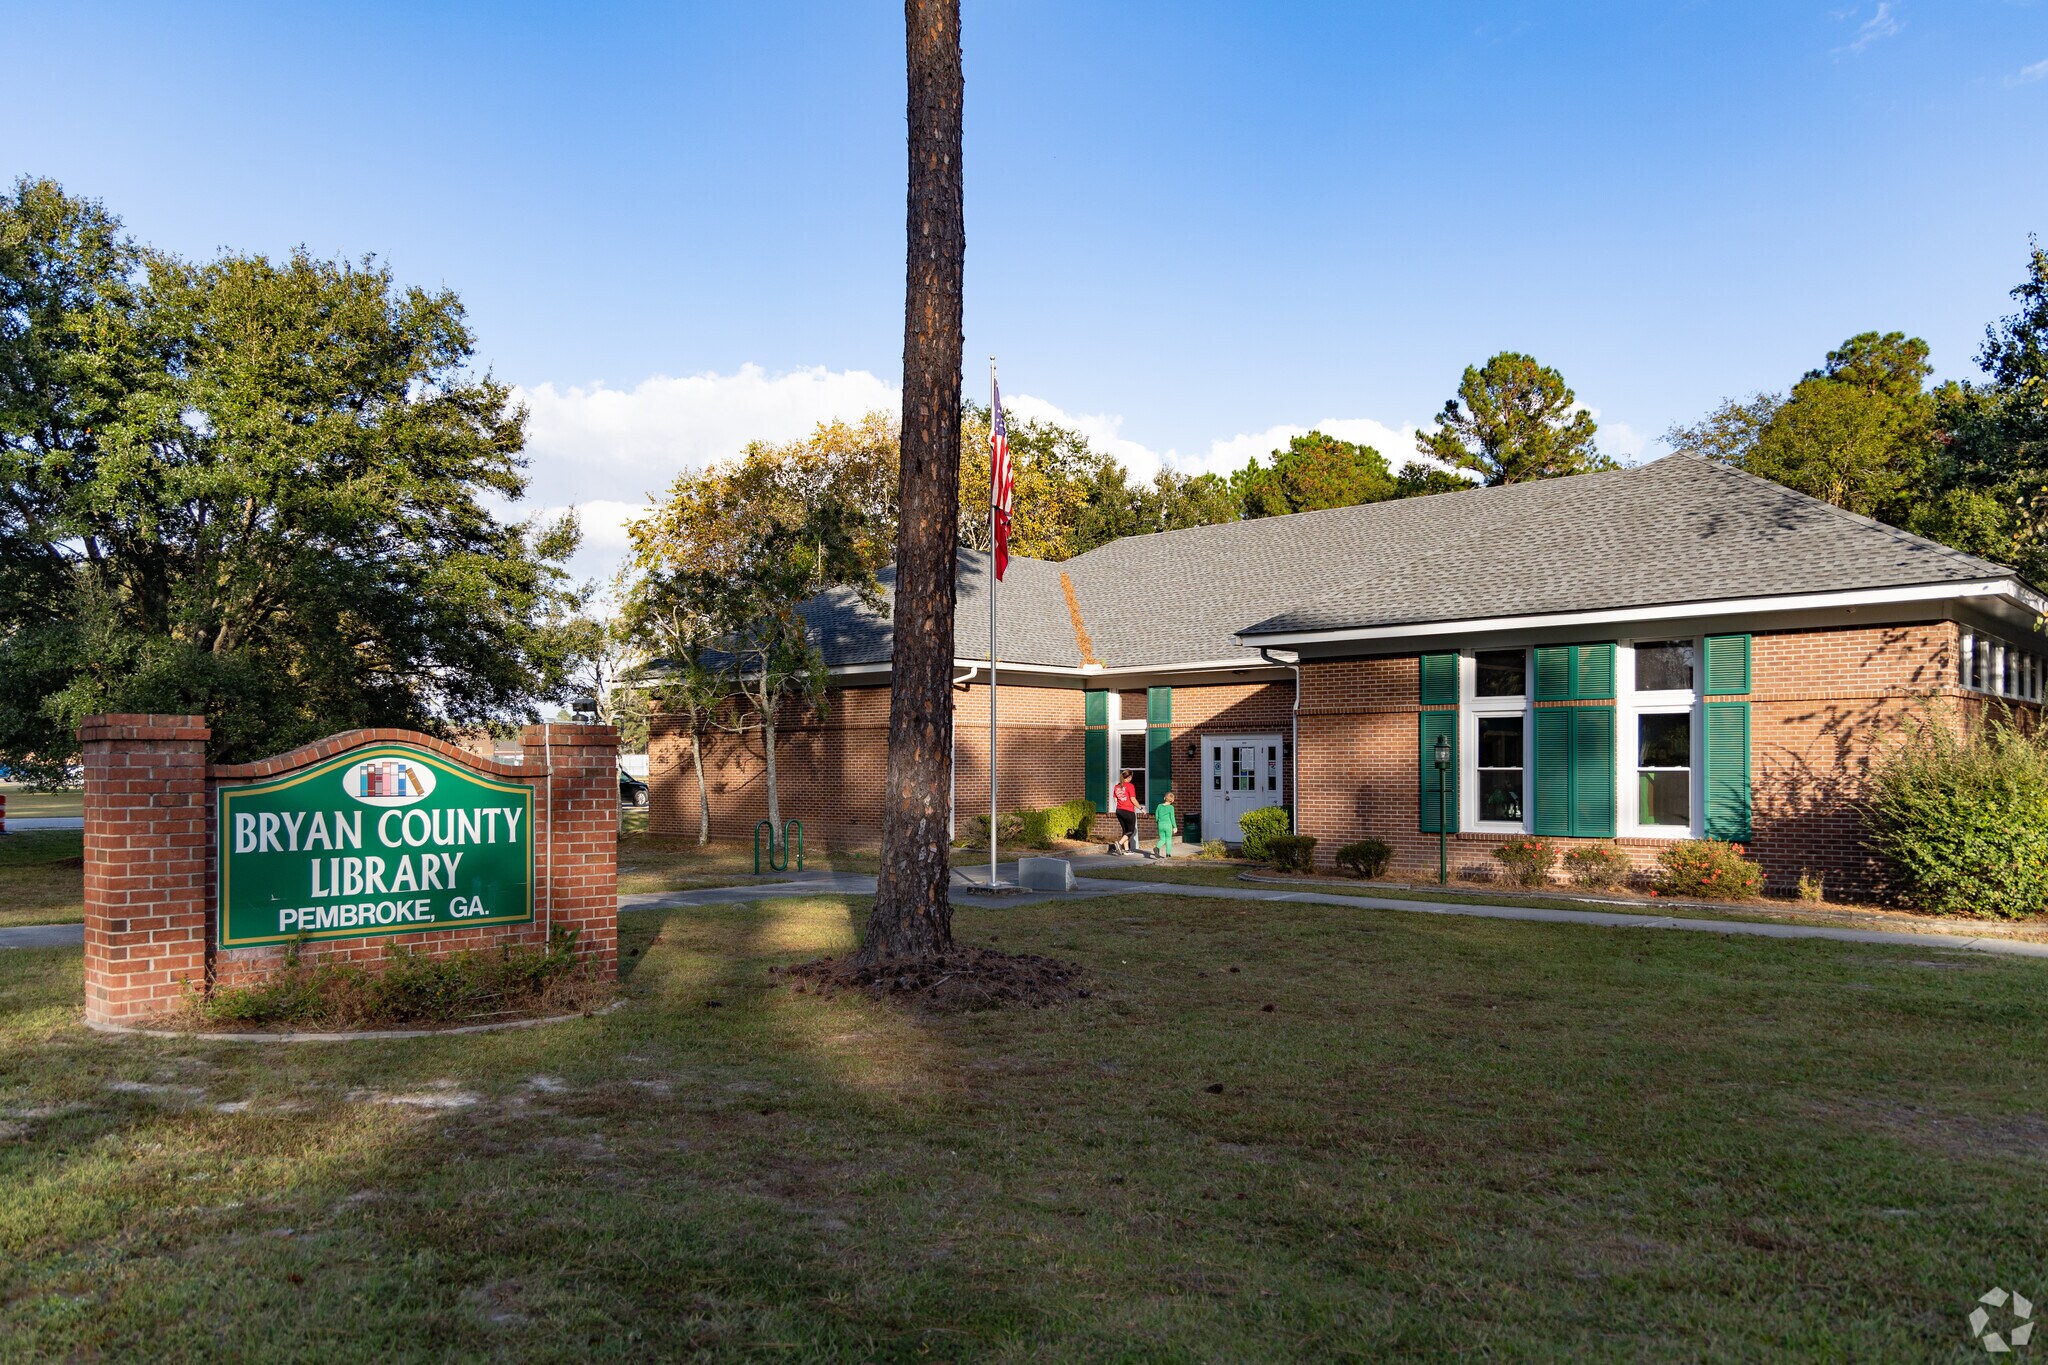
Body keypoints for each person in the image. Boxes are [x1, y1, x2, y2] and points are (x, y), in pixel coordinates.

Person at [1110, 769, 1141, 854]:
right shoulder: (1130, 786)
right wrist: (1141, 808)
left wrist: (1121, 804)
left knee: (1125, 830)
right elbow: (1133, 799)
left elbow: (1115, 799)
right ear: (1129, 777)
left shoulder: (1117, 786)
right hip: (1128, 811)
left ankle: (1126, 850)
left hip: (1119, 811)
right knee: (1131, 830)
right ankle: (1119, 844)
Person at [1153, 788, 1177, 860]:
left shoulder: (1159, 806)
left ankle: (1157, 848)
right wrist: (1175, 826)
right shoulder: (1171, 807)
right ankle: (1168, 854)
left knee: (1162, 839)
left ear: (1164, 798)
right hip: (1168, 825)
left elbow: (1156, 815)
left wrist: (1158, 822)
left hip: (1160, 824)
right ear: (1172, 800)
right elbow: (1172, 817)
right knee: (1168, 839)